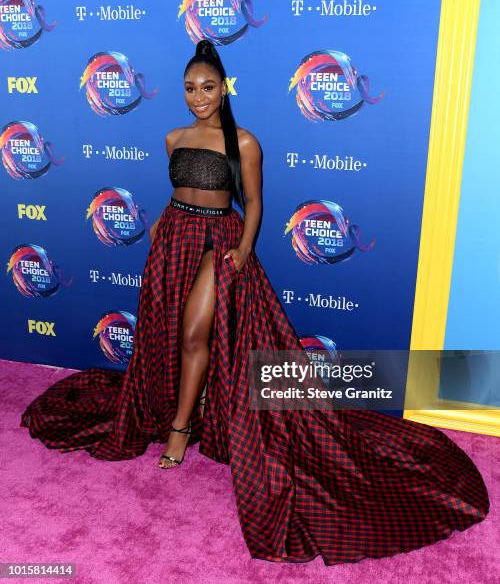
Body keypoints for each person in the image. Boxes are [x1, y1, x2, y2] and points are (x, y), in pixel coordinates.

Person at [20, 40, 489, 566]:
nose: (199, 97)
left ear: (225, 89)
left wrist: (244, 247)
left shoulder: (244, 141)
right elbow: (177, 193)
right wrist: (159, 227)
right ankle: (188, 410)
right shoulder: (173, 137)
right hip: (174, 238)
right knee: (169, 333)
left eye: (208, 87)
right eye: (190, 88)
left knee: (196, 335)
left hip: (221, 242)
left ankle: (179, 430)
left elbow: (256, 200)